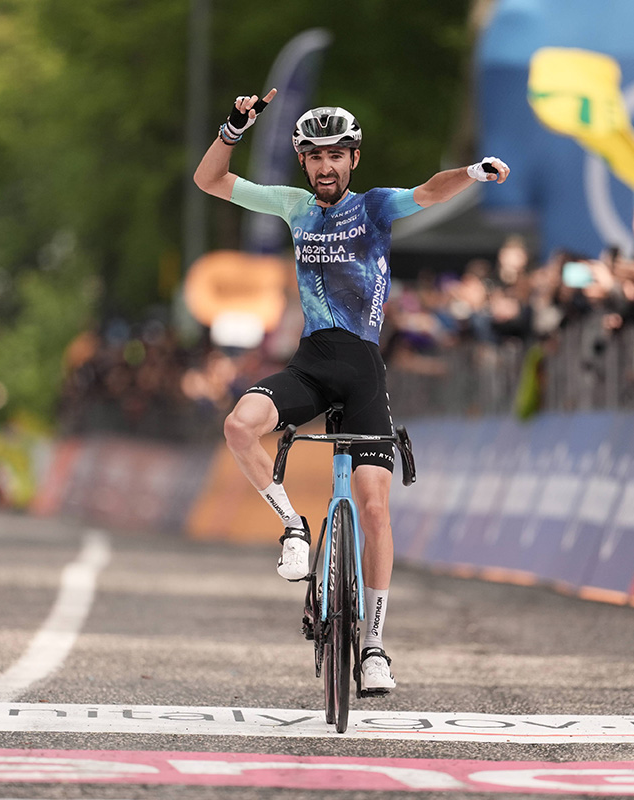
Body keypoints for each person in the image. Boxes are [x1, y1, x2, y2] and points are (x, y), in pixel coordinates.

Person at [194, 89, 509, 693]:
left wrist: (472, 172)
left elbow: (429, 191)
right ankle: (292, 527)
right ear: (303, 164)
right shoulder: (292, 206)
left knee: (373, 505)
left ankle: (375, 646)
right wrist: (235, 126)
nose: (325, 166)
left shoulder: (375, 208)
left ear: (353, 159)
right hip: (310, 365)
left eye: (335, 155)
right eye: (313, 157)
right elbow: (210, 180)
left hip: (364, 370)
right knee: (239, 424)